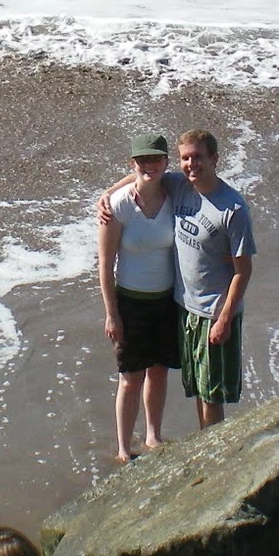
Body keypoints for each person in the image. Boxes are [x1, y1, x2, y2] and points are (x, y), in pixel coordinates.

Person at [100, 129, 255, 429]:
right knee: (197, 387)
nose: (191, 164)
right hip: (183, 308)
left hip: (214, 313)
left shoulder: (233, 208)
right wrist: (106, 195)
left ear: (215, 159)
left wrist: (224, 319)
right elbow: (144, 174)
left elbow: (244, 270)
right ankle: (205, 445)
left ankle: (214, 456)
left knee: (212, 393)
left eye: (198, 157)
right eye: (185, 158)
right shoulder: (179, 186)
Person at [97, 132, 179, 463]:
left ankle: (153, 437)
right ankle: (122, 449)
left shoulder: (174, 192)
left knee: (159, 371)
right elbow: (105, 262)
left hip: (167, 300)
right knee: (131, 378)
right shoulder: (118, 206)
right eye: (142, 160)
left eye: (155, 159)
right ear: (133, 163)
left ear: (165, 162)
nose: (149, 166)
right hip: (130, 302)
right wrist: (111, 314)